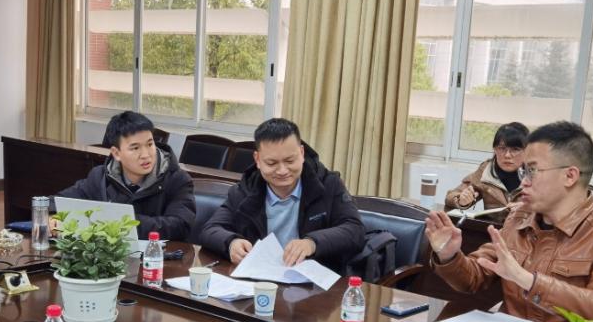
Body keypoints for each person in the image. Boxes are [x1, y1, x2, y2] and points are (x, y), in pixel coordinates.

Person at [426, 121, 593, 322]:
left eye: (532, 171)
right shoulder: (519, 218)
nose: (524, 183)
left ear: (570, 176)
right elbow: (474, 278)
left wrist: (526, 279)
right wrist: (449, 256)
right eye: (523, 172)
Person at [199, 118, 365, 272]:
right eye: (272, 163)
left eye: (290, 161)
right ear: (257, 159)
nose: (282, 171)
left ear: (301, 153)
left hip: (314, 282)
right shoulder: (245, 190)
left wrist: (312, 243)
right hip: (260, 279)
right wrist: (231, 243)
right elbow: (210, 230)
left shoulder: (328, 185)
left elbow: (355, 230)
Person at [53, 111, 195, 241]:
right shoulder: (100, 176)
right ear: (116, 153)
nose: (145, 155)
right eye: (135, 148)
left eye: (149, 144)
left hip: (158, 257)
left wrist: (120, 223)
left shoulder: (177, 180)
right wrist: (52, 216)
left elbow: (180, 226)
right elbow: (59, 201)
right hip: (109, 256)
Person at [445, 122, 528, 212]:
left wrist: (531, 207)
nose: (507, 155)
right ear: (494, 149)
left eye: (515, 149)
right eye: (502, 148)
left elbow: (541, 206)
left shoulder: (536, 174)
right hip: (492, 222)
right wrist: (461, 200)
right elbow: (450, 196)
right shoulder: (486, 170)